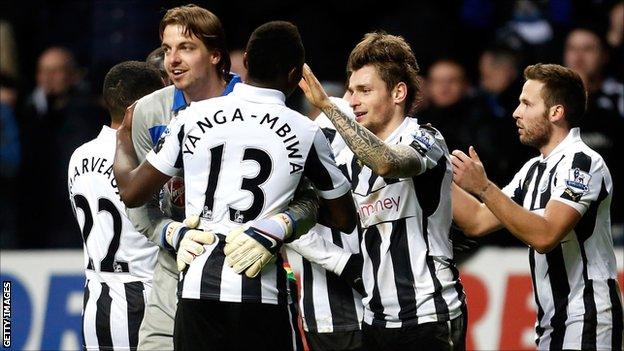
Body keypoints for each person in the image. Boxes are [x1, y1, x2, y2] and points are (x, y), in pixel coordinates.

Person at [114, 21, 357, 350]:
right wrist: (286, 220)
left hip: (196, 290)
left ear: (246, 61)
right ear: (293, 74)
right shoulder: (306, 131)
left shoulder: (191, 118)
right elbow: (343, 218)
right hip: (263, 294)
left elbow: (131, 192)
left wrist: (124, 138)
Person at [300, 32, 466, 351]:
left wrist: (327, 107)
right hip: (376, 319)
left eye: (364, 90)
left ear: (398, 92)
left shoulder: (426, 139)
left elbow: (388, 163)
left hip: (428, 316)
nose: (351, 101)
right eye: (349, 91)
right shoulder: (357, 163)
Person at [451, 63, 623, 350]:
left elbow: (545, 236)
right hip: (551, 323)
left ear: (555, 112)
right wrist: (434, 172)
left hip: (589, 318)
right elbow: (477, 221)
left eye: (526, 104)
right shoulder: (532, 170)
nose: (516, 112)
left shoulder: (583, 162)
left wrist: (483, 186)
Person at [117, 5, 240, 349]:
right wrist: (171, 232)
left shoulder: (256, 107)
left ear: (216, 55)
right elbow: (136, 201)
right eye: (168, 48)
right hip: (174, 263)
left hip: (242, 267)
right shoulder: (148, 111)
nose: (173, 59)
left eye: (185, 47)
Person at [67, 61, 163, 351]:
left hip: (96, 299)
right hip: (142, 299)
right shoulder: (147, 161)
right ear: (141, 107)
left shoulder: (78, 156)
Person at [285, 97, 365, 351]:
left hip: (378, 309)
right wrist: (345, 264)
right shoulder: (312, 161)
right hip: (332, 313)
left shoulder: (372, 160)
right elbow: (286, 220)